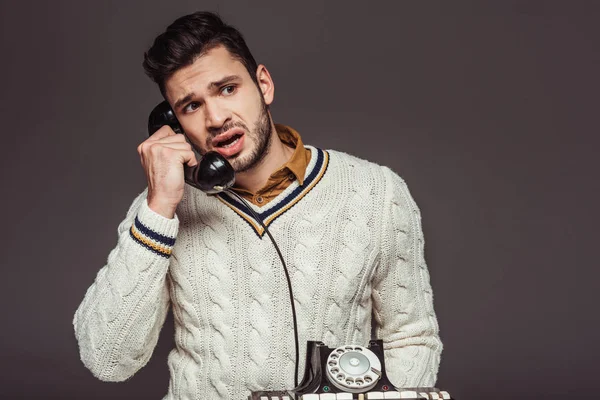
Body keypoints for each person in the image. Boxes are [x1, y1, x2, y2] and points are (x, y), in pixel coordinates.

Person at [73, 11, 443, 400]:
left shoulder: (376, 192)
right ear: (173, 123)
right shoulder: (160, 211)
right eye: (191, 107)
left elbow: (410, 336)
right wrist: (160, 206)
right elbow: (108, 360)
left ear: (263, 85)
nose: (216, 118)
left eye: (227, 89)